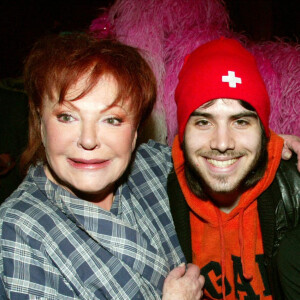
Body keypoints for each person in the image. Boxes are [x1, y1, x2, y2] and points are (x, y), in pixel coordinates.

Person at [0, 32, 204, 299]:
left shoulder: (154, 167)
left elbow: (221, 161)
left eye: (112, 120)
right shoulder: (17, 230)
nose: (88, 140)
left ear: (135, 132)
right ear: (40, 122)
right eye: (67, 116)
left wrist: (268, 147)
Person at [168, 37, 300, 300]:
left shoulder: (293, 190)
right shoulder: (164, 195)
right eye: (204, 122)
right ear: (183, 132)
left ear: (262, 131)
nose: (222, 143)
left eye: (240, 121)